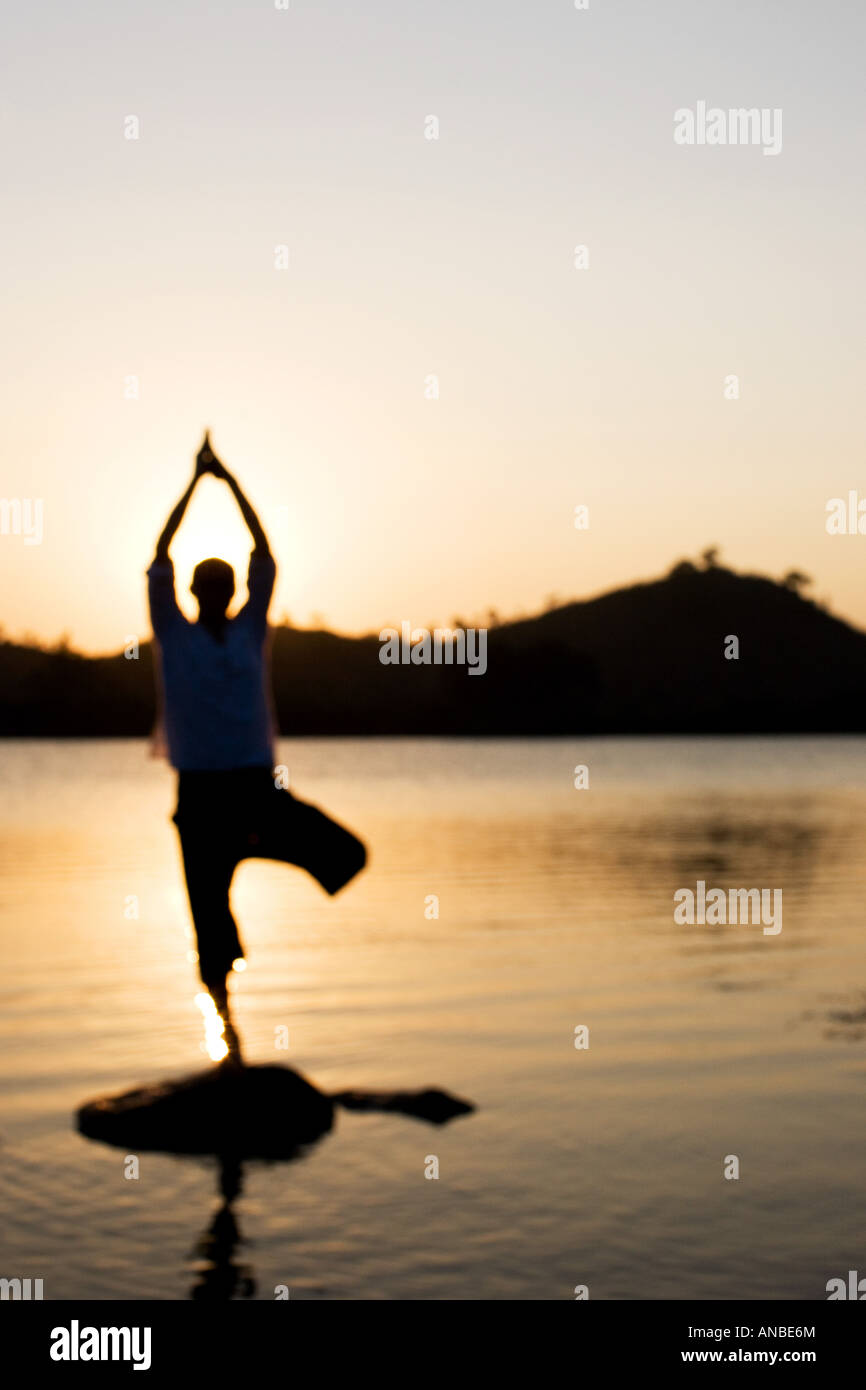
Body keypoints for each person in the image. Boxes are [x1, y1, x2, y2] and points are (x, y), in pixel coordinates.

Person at [147, 433, 366, 1060]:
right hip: (200, 794)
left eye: (223, 586)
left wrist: (230, 480)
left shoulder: (250, 631)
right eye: (205, 588)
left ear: (232, 592)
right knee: (209, 919)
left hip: (255, 786)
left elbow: (263, 552)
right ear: (192, 594)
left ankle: (255, 847)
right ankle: (228, 1036)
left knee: (347, 854)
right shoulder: (173, 634)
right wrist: (194, 483)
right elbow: (159, 553)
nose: (214, 595)